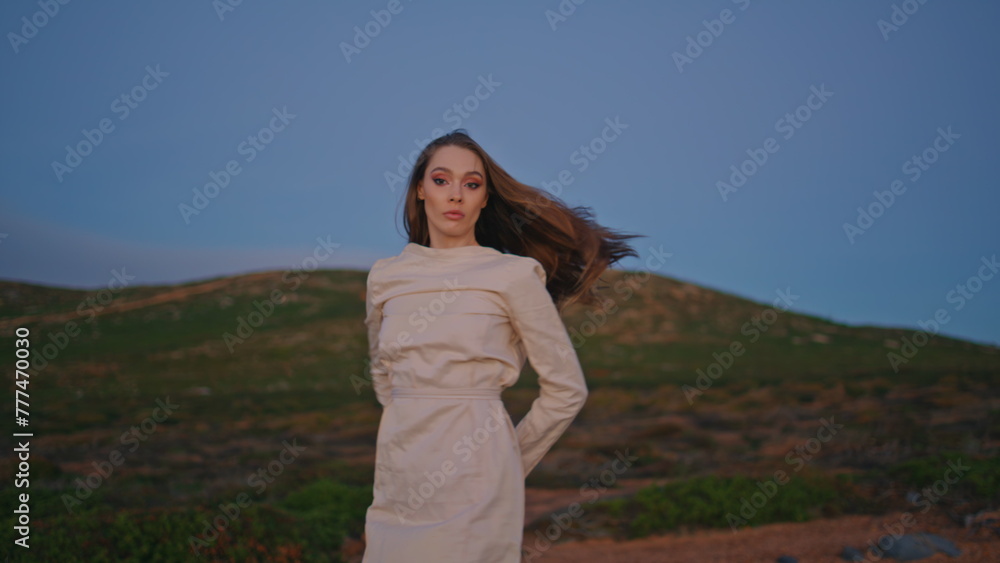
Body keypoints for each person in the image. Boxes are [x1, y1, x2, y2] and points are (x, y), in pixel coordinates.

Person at [361, 129, 642, 561]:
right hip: (399, 476)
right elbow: (383, 372)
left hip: (479, 474)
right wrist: (407, 419)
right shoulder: (385, 275)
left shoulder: (512, 275)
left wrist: (509, 459)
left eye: (471, 184)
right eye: (441, 180)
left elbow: (567, 389)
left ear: (485, 199)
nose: (456, 195)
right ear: (420, 189)